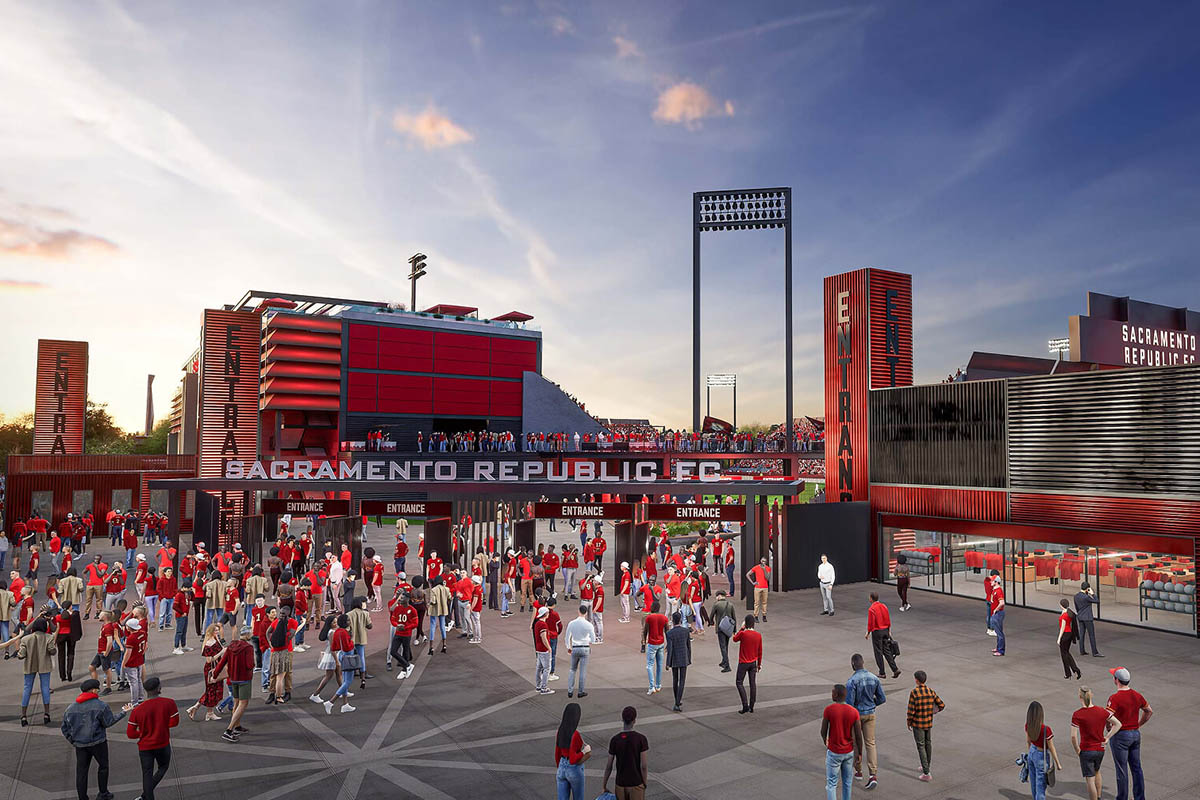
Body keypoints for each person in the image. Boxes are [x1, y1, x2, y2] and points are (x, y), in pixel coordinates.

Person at [61, 676, 126, 800]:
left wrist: (73, 740)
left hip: (80, 745)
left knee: (82, 772)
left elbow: (64, 728)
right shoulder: (101, 706)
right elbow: (108, 722)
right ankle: (103, 793)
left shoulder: (70, 708)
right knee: (103, 767)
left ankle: (82, 797)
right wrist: (123, 713)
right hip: (98, 743)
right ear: (93, 690)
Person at [126, 675, 178, 800]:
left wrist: (143, 733)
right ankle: (145, 795)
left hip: (145, 747)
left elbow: (131, 733)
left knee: (147, 774)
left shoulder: (137, 711)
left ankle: (147, 796)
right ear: (159, 688)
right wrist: (160, 726)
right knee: (163, 767)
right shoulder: (169, 703)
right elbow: (174, 722)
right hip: (162, 744)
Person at [1106, 666, 1151, 800]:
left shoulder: (1115, 698)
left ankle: (1122, 798)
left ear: (1116, 680)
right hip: (1135, 734)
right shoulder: (1137, 695)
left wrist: (1109, 729)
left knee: (1122, 770)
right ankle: (1139, 797)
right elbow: (1149, 711)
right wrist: (1138, 724)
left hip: (1120, 736)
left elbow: (1107, 716)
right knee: (1137, 768)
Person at [1071, 685, 1120, 800]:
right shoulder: (1102, 711)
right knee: (1097, 772)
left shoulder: (1077, 714)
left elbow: (1073, 736)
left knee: (1090, 779)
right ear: (1091, 695)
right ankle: (1098, 796)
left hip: (1086, 750)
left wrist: (1077, 749)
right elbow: (1118, 724)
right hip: (1100, 749)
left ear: (1080, 697)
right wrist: (1107, 737)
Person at [845, 653, 885, 788]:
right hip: (870, 714)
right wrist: (872, 704)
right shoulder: (874, 678)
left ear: (853, 664)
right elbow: (882, 698)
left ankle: (858, 771)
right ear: (863, 663)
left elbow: (849, 704)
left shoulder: (851, 681)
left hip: (857, 716)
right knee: (870, 743)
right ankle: (873, 774)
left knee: (856, 743)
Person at [821, 684, 863, 800]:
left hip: (834, 752)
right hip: (848, 752)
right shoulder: (854, 712)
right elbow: (858, 736)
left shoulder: (829, 710)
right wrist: (859, 753)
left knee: (831, 783)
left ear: (836, 695)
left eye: (832, 692)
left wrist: (825, 740)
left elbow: (823, 730)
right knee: (847, 782)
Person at [602, 705, 649, 800]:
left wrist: (604, 785)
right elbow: (643, 766)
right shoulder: (641, 739)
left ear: (622, 719)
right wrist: (644, 782)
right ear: (634, 720)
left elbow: (609, 766)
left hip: (620, 783)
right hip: (636, 783)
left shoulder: (615, 740)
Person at [905, 669, 944, 782]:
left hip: (918, 723)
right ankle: (926, 765)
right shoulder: (931, 691)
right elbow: (941, 705)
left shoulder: (914, 692)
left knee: (921, 746)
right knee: (928, 743)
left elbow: (911, 710)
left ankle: (926, 773)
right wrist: (933, 711)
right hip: (928, 722)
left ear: (916, 680)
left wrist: (908, 722)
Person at [18, 616, 56, 726]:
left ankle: (24, 715)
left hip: (30, 666)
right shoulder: (49, 637)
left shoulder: (25, 639)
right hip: (44, 665)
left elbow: (21, 655)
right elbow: (52, 651)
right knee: (45, 688)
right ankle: (46, 714)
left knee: (27, 688)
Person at [1023, 700, 1063, 800]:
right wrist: (1058, 764)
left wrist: (1030, 754)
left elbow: (1028, 741)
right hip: (1041, 756)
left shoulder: (1028, 726)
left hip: (1032, 752)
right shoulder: (1046, 730)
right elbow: (1051, 748)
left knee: (1033, 783)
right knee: (1040, 786)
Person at [186, 624, 226, 722]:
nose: (217, 632)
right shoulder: (208, 644)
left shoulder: (216, 638)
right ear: (211, 631)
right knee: (211, 691)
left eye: (218, 630)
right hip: (211, 669)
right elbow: (209, 660)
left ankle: (202, 710)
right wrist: (221, 652)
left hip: (218, 667)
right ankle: (207, 712)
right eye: (215, 630)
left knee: (213, 690)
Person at [554, 702, 591, 800]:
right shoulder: (575, 734)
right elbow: (573, 759)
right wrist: (584, 751)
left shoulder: (560, 731)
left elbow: (557, 752)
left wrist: (560, 768)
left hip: (561, 766)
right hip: (573, 770)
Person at [864, 592, 900, 678]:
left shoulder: (872, 609)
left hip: (877, 632)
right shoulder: (884, 606)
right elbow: (887, 619)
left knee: (878, 652)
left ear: (871, 598)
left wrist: (868, 632)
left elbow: (871, 623)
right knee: (886, 651)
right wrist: (889, 630)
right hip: (885, 630)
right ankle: (895, 669)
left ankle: (882, 672)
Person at [564, 603, 595, 699]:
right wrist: (586, 640)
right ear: (586, 613)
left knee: (572, 669)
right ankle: (581, 691)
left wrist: (569, 647)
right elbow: (593, 639)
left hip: (575, 647)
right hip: (585, 648)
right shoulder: (589, 625)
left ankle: (570, 691)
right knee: (583, 671)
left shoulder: (572, 623)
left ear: (578, 611)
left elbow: (567, 637)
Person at [733, 614, 762, 714]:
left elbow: (735, 639)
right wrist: (759, 664)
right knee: (752, 684)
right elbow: (760, 651)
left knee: (739, 682)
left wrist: (741, 628)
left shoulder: (743, 634)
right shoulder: (758, 635)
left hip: (743, 662)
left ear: (746, 623)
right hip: (753, 663)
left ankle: (745, 705)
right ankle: (752, 706)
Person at [665, 611, 691, 712]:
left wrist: (668, 663)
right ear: (680, 620)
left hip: (674, 658)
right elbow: (688, 646)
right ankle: (677, 702)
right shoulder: (686, 631)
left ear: (672, 620)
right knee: (682, 680)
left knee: (675, 680)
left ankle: (677, 700)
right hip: (683, 657)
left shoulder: (669, 633)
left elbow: (670, 649)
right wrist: (689, 658)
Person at [640, 601, 667, 695]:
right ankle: (658, 685)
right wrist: (668, 644)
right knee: (659, 665)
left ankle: (652, 686)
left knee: (650, 665)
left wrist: (644, 642)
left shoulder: (649, 617)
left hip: (652, 643)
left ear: (653, 608)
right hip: (661, 643)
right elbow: (667, 631)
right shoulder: (664, 618)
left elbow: (645, 631)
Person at [1074, 581, 1103, 657]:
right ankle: (1095, 652)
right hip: (1088, 618)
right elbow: (1097, 601)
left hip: (1080, 617)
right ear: (1087, 589)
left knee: (1082, 634)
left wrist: (1079, 614)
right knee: (1091, 635)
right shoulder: (1086, 597)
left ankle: (1082, 650)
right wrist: (1092, 594)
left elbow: (1077, 607)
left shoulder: (1076, 596)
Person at [710, 590, 737, 672]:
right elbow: (734, 618)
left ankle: (727, 665)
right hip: (728, 628)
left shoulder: (716, 604)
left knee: (722, 646)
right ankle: (724, 661)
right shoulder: (730, 605)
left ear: (719, 596)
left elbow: (711, 615)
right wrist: (734, 630)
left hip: (720, 628)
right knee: (726, 645)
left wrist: (711, 622)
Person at [1057, 598, 1081, 680]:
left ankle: (1068, 673)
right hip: (1070, 634)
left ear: (1061, 605)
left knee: (1064, 654)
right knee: (1066, 652)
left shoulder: (1064, 615)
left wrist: (1059, 638)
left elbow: (1062, 628)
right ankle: (1075, 670)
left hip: (1065, 634)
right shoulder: (1069, 613)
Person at [533, 605, 554, 695]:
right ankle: (544, 687)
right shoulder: (543, 624)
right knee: (546, 668)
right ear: (545, 614)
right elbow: (544, 637)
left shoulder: (537, 623)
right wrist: (549, 647)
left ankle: (538, 686)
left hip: (538, 648)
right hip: (544, 649)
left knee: (539, 667)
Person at [746, 557, 770, 622]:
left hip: (765, 587)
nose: (763, 562)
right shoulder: (756, 567)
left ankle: (764, 616)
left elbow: (767, 578)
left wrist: (764, 570)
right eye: (762, 561)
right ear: (760, 561)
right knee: (756, 603)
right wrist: (753, 583)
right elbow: (747, 574)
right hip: (757, 587)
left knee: (764, 602)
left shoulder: (768, 568)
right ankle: (756, 616)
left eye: (764, 561)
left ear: (766, 562)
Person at [988, 569, 1006, 655]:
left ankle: (1001, 650)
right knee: (998, 631)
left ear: (996, 582)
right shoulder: (995, 590)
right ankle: (998, 647)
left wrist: (996, 609)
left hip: (998, 614)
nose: (991, 582)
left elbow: (1002, 602)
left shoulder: (998, 591)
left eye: (992, 581)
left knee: (999, 632)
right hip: (996, 613)